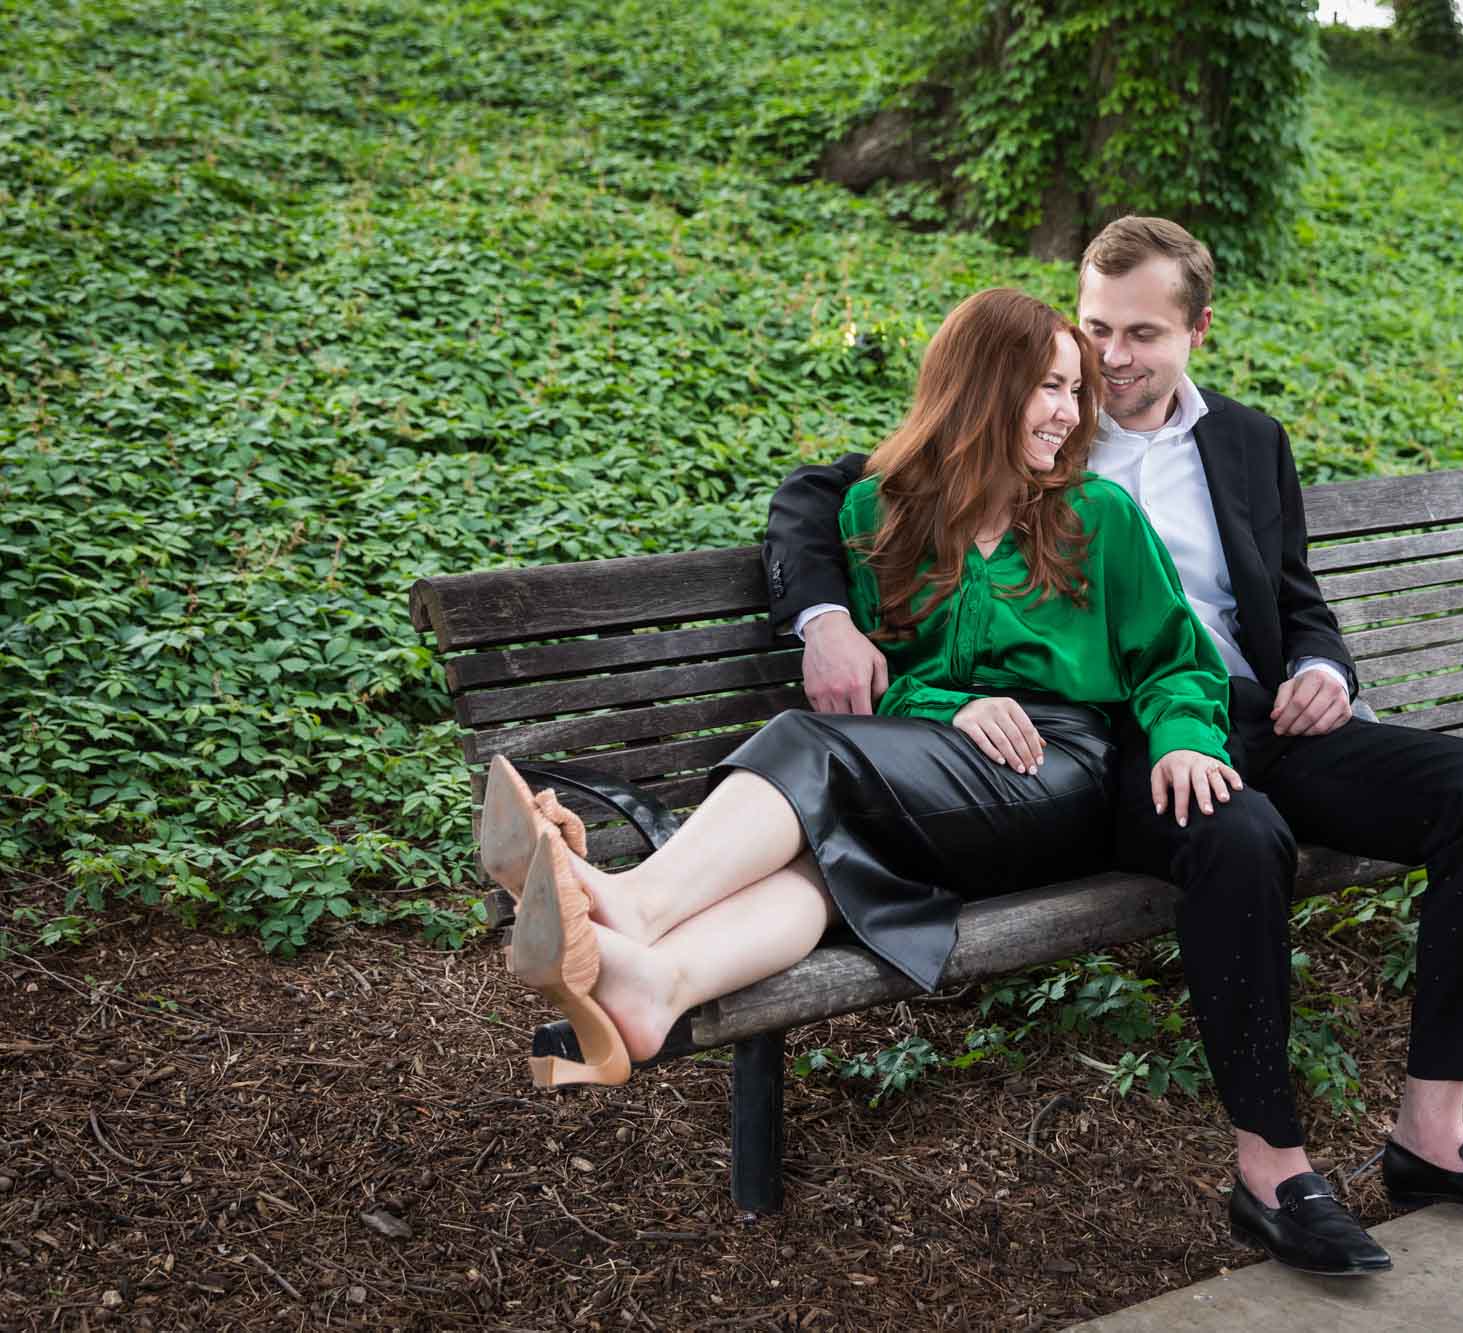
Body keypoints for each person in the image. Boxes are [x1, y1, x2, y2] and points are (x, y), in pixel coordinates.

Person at [763, 217, 1463, 1277]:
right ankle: (1271, 1167)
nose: (1110, 359)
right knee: (1236, 837)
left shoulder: (1246, 442)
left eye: (1142, 334)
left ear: (1197, 330)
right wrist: (824, 621)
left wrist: (1320, 670)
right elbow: (826, 495)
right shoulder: (1037, 415)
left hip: (1241, 713)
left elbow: (1296, 598)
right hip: (1094, 743)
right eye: (1096, 327)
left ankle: (1431, 1132)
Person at [481, 287, 1244, 1100]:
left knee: (809, 743)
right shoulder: (879, 512)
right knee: (829, 861)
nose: (1071, 411)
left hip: (1056, 771)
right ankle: (655, 984)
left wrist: (1185, 735)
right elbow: (895, 680)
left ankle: (630, 905)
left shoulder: (1098, 515)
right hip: (935, 775)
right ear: (983, 387)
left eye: (1075, 389)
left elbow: (1176, 658)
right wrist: (955, 705)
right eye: (1049, 386)